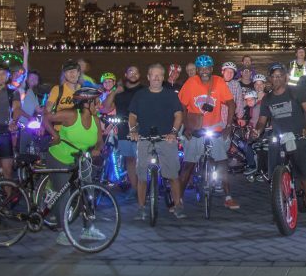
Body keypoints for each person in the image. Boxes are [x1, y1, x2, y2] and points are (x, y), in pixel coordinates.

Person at [252, 63, 306, 227]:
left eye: (279, 76)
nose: (276, 79)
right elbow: (262, 121)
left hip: (298, 136)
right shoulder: (267, 99)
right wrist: (256, 131)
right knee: (274, 176)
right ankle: (278, 210)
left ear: (285, 77)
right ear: (270, 79)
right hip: (279, 139)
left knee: (305, 177)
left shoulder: (294, 91)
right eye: (273, 76)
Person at [42, 88, 103, 246]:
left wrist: (97, 149)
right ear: (86, 103)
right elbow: (46, 118)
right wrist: (55, 136)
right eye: (96, 102)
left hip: (81, 158)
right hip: (60, 157)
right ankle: (63, 232)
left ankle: (88, 228)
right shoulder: (71, 115)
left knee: (88, 190)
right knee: (64, 193)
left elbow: (99, 140)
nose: (99, 105)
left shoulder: (96, 119)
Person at [178, 55, 239, 209]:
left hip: (215, 128)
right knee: (188, 164)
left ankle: (228, 196)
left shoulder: (218, 81)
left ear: (212, 69)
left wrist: (229, 125)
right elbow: (182, 107)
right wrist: (186, 126)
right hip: (196, 128)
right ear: (197, 70)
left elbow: (231, 103)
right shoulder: (191, 83)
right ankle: (178, 199)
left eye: (207, 68)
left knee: (222, 162)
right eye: (201, 68)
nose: (204, 71)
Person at [128, 64, 186, 219]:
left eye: (160, 75)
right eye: (154, 75)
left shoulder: (170, 95)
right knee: (141, 174)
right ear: (148, 77)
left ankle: (178, 205)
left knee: (173, 174)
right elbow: (132, 116)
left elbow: (178, 115)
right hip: (145, 137)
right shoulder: (140, 95)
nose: (157, 78)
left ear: (163, 77)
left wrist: (173, 133)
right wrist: (133, 130)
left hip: (166, 137)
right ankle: (140, 207)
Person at [101, 66, 144, 194]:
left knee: (141, 160)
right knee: (129, 160)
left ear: (139, 75)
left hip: (141, 128)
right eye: (130, 72)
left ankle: (143, 188)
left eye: (136, 72)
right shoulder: (120, 92)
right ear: (125, 75)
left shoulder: (144, 90)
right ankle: (134, 189)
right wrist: (114, 91)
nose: (133, 74)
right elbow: (105, 108)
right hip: (124, 129)